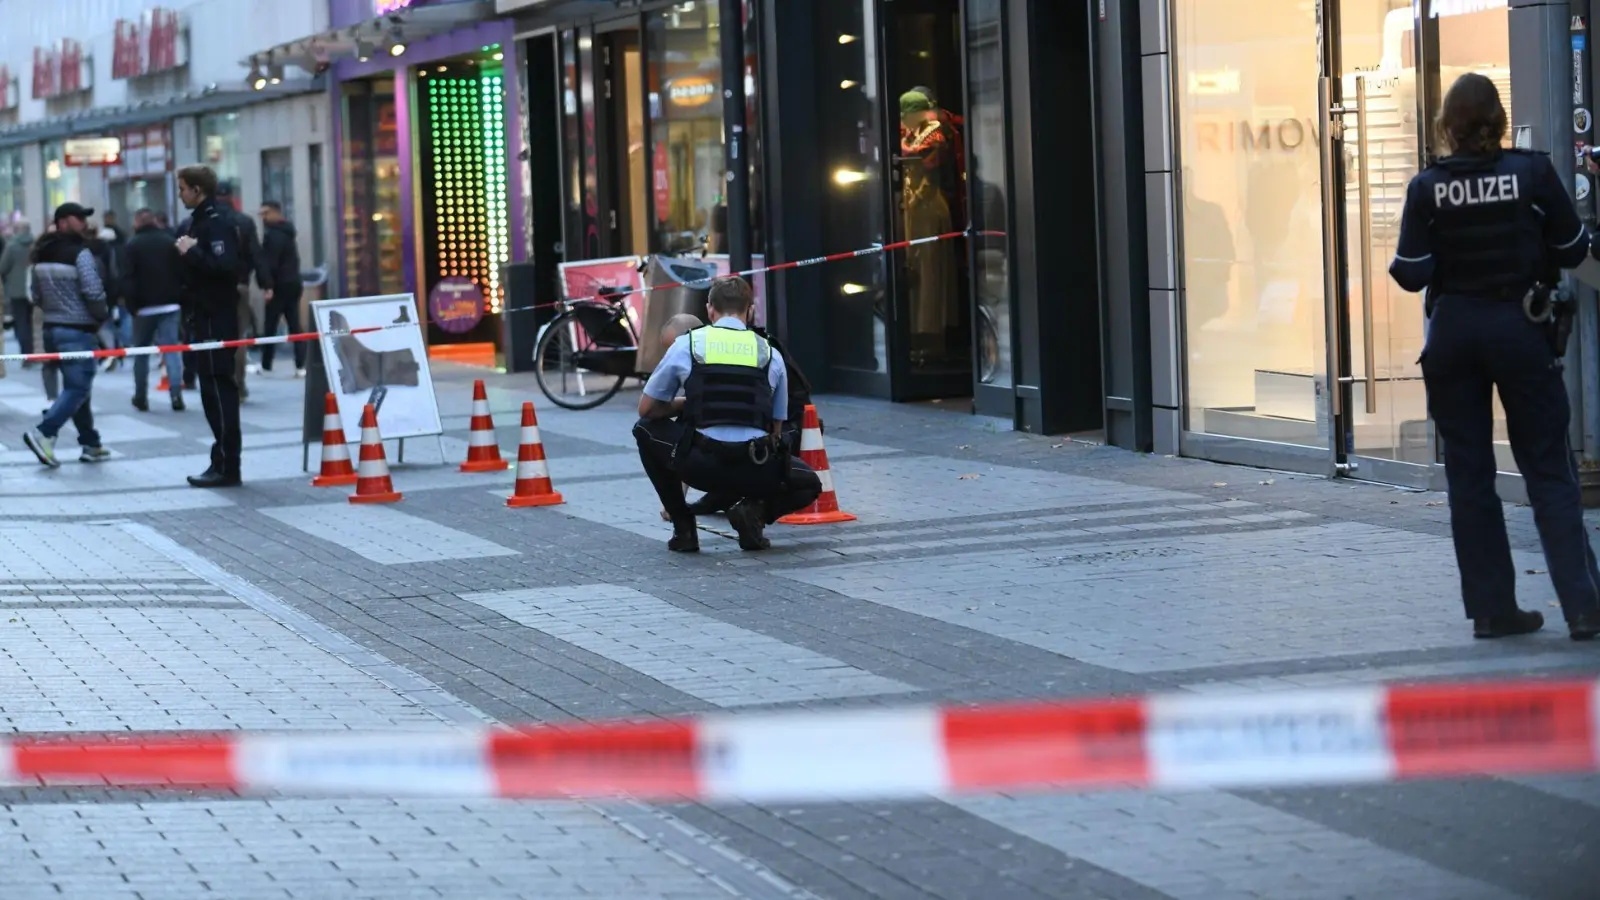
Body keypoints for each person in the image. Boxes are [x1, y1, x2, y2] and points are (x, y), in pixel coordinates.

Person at [1389, 72, 1600, 641]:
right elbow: (1573, 248)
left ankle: (1492, 611)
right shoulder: (1531, 172)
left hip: (1455, 335)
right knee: (1549, 470)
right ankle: (1583, 608)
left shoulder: (1427, 186)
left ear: (1447, 128)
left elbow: (1410, 274)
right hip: (1519, 328)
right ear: (1499, 124)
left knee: (1469, 474)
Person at [634, 276, 821, 552]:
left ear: (710, 310)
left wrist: (687, 404)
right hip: (754, 468)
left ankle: (683, 527)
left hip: (699, 466)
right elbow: (776, 428)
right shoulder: (769, 351)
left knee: (644, 428)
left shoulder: (688, 345)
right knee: (810, 483)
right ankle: (753, 514)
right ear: (751, 310)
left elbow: (647, 408)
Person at [22, 203, 113, 466]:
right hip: (77, 330)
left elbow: (35, 295)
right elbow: (93, 291)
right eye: (78, 218)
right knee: (78, 387)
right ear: (62, 222)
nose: (84, 222)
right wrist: (101, 315)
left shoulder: (40, 254)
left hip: (52, 328)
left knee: (77, 388)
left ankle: (90, 443)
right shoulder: (80, 253)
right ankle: (43, 433)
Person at [174, 165, 244, 488]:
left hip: (216, 316)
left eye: (183, 188)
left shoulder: (216, 223)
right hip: (204, 316)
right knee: (210, 392)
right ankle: (221, 460)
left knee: (218, 390)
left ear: (197, 190)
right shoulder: (201, 221)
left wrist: (192, 252)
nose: (180, 194)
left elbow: (225, 267)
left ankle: (228, 466)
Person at [121, 207, 186, 412]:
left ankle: (141, 396)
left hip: (144, 308)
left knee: (141, 352)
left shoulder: (132, 245)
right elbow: (181, 272)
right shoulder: (169, 241)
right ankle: (176, 393)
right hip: (170, 304)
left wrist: (132, 306)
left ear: (138, 222)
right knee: (171, 349)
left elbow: (128, 279)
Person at [214, 183, 261, 398]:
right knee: (238, 338)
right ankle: (239, 386)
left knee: (215, 337)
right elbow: (255, 255)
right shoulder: (244, 222)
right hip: (239, 286)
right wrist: (265, 282)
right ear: (232, 197)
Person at [256, 200, 306, 377]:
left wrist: (268, 286)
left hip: (279, 285)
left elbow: (269, 263)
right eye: (261, 214)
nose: (263, 218)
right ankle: (301, 364)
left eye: (266, 213)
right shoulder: (288, 232)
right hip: (293, 283)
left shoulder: (273, 236)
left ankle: (266, 363)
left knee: (270, 325)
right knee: (294, 325)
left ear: (276, 213)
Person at [1, 221, 34, 364]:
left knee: (21, 323)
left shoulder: (12, 247)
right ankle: (34, 352)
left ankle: (25, 353)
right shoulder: (36, 244)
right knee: (33, 322)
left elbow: (2, 267)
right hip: (34, 290)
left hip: (17, 291)